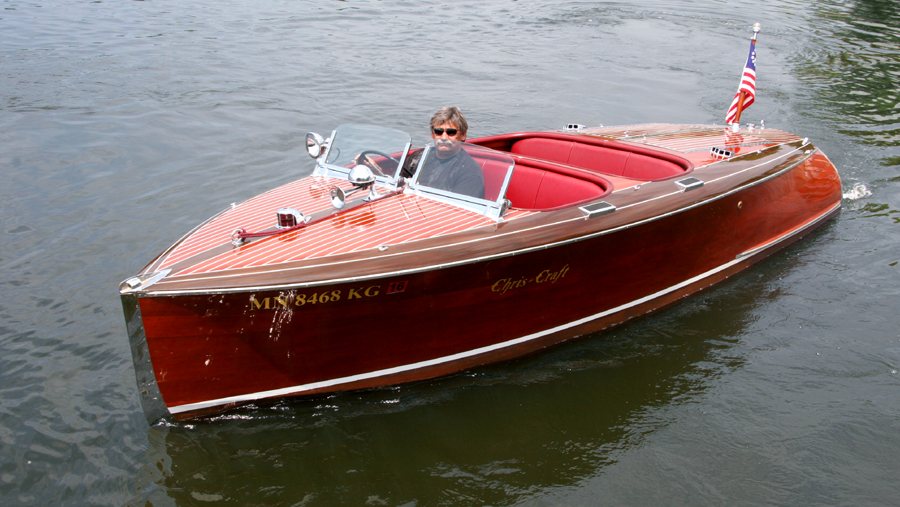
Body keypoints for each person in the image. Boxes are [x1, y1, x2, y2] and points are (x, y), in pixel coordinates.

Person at [401, 106, 485, 199]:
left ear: (463, 135)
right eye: (438, 131)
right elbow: (397, 184)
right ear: (432, 134)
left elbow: (460, 208)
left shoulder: (469, 170)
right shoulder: (417, 158)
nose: (444, 137)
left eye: (451, 132)